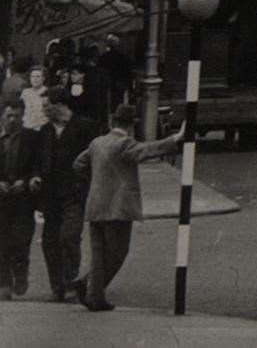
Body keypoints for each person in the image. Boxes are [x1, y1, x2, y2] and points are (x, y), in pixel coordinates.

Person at [70, 103, 183, 311]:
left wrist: (96, 182)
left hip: (95, 205)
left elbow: (78, 164)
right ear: (131, 125)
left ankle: (92, 291)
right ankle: (91, 289)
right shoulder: (124, 143)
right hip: (118, 208)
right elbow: (146, 151)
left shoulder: (97, 142)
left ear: (113, 122)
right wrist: (174, 139)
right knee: (117, 253)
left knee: (98, 253)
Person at [36, 88, 98, 301]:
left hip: (75, 194)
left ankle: (71, 282)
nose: (43, 109)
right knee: (49, 242)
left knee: (69, 237)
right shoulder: (44, 131)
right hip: (50, 196)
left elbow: (94, 161)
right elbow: (38, 160)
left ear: (60, 105)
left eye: (47, 105)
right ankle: (57, 287)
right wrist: (35, 177)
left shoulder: (85, 127)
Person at [0, 101, 42, 298]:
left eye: (16, 116)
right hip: (1, 199)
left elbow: (37, 165)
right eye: (9, 116)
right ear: (2, 116)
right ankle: (4, 284)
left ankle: (21, 274)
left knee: (21, 240)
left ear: (23, 116)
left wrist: (26, 182)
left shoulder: (32, 138)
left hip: (23, 200)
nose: (12, 120)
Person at [95, 35, 132, 117]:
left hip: (107, 84)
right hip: (119, 84)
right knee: (118, 103)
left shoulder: (103, 57)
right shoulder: (123, 57)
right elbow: (128, 71)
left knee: (107, 103)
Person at [19, 65, 49, 131]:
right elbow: (21, 109)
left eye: (38, 76)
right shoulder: (25, 92)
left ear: (43, 78)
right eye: (32, 76)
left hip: (42, 128)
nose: (35, 79)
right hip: (27, 127)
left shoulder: (48, 92)